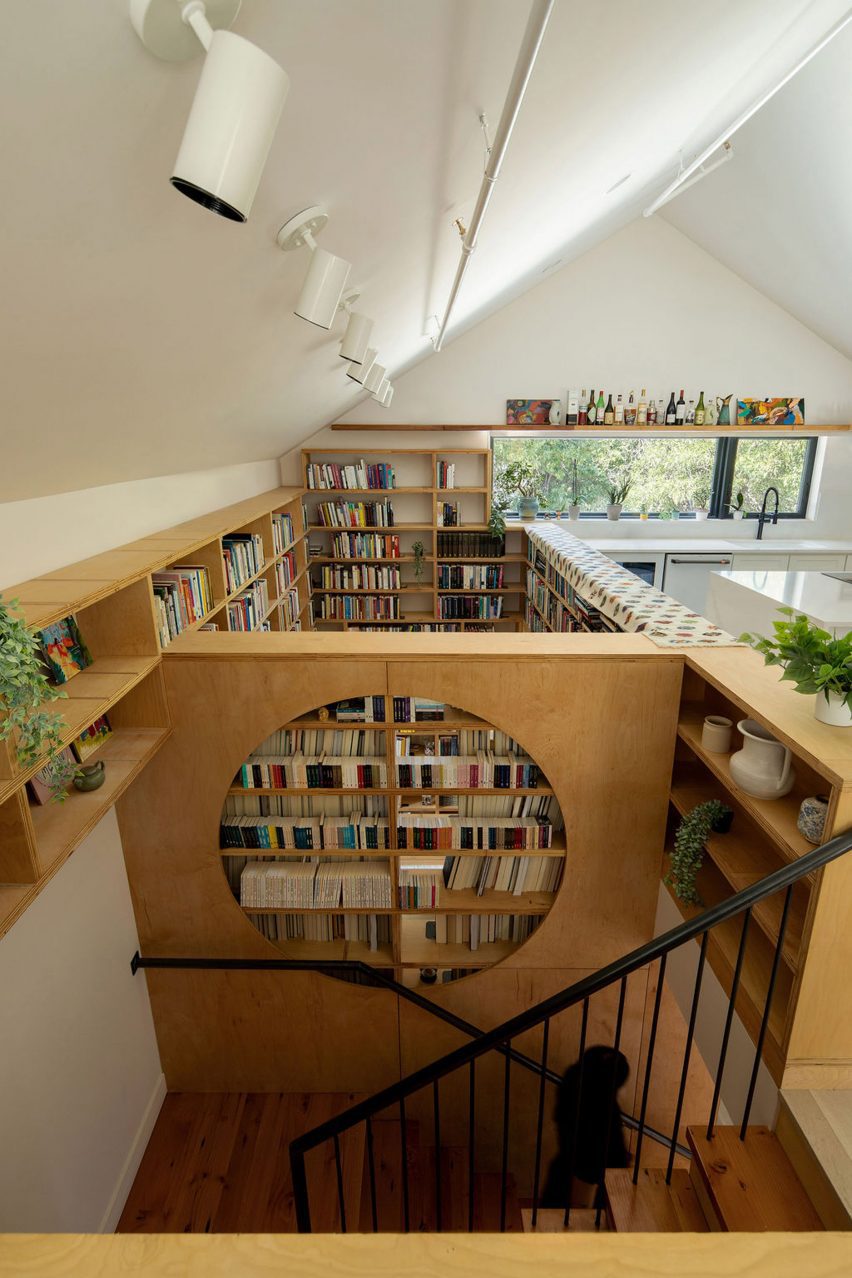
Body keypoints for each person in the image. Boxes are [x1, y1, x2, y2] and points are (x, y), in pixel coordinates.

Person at [540, 1045, 631, 1208]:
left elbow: (561, 1118)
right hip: (589, 1155)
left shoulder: (574, 1079)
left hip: (577, 1151)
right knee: (613, 1179)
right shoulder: (602, 1103)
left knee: (562, 1170)